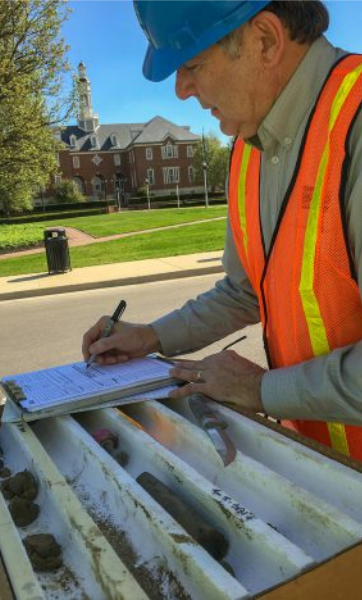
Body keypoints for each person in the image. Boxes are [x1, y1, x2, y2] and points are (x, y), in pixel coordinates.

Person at [83, 0, 362, 460]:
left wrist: (260, 389)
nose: (181, 90)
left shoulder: (355, 123)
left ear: (265, 41)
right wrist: (150, 336)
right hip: (325, 469)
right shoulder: (250, 150)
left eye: (192, 64)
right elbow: (245, 291)